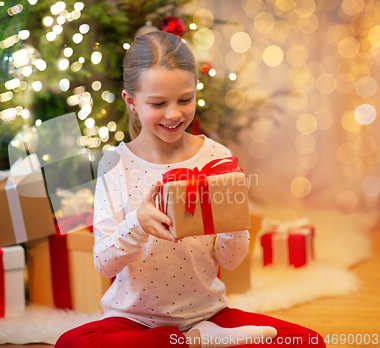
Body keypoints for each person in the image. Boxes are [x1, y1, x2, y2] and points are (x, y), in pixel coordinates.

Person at [55, 31, 326, 348]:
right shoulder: (115, 165)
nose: (174, 114)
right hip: (133, 321)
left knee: (308, 342)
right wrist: (138, 224)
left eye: (185, 100)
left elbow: (232, 261)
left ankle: (193, 339)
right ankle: (193, 342)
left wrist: (233, 220)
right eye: (158, 103)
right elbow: (104, 263)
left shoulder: (217, 158)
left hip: (208, 315)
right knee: (72, 343)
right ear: (131, 102)